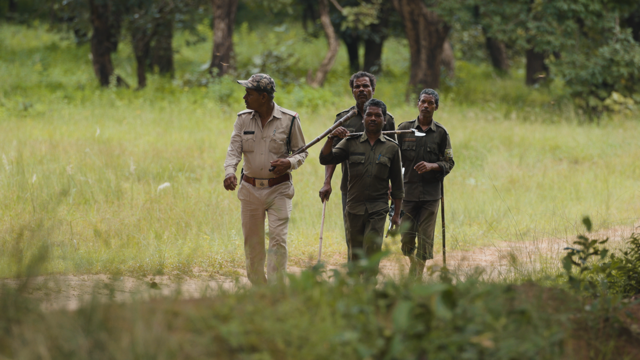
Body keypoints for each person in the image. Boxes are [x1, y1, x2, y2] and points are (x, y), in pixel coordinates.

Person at [223, 73, 308, 285]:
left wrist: (289, 163)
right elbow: (234, 149)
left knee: (278, 242)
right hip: (250, 189)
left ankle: (276, 290)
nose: (244, 97)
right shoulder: (243, 119)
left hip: (278, 190)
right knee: (253, 244)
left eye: (248, 93)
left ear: (263, 97)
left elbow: (302, 152)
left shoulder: (289, 120)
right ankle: (259, 289)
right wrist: (229, 172)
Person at [319, 98, 403, 275]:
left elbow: (397, 184)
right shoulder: (350, 142)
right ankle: (355, 293)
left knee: (372, 252)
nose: (373, 118)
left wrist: (396, 215)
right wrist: (331, 137)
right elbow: (326, 159)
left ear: (385, 119)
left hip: (378, 209)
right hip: (354, 208)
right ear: (363, 117)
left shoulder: (392, 148)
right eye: (369, 115)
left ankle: (369, 291)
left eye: (377, 115)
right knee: (355, 254)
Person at [396, 89, 454, 277]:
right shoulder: (404, 129)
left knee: (425, 237)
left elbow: (449, 162)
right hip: (407, 193)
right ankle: (413, 262)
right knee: (406, 239)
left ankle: (417, 276)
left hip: (430, 195)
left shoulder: (441, 134)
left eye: (430, 103)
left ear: (436, 107)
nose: (426, 106)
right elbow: (393, 159)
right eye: (423, 102)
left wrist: (432, 166)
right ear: (418, 104)